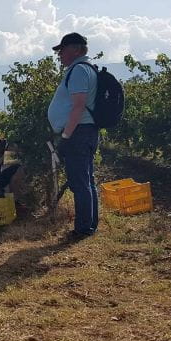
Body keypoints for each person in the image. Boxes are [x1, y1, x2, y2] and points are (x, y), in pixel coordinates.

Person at [47, 32, 99, 240]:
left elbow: (78, 106)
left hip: (78, 132)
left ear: (76, 49)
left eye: (62, 50)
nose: (59, 55)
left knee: (80, 182)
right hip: (85, 131)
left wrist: (66, 135)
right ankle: (89, 225)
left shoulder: (78, 71)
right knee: (86, 180)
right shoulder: (86, 68)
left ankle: (83, 229)